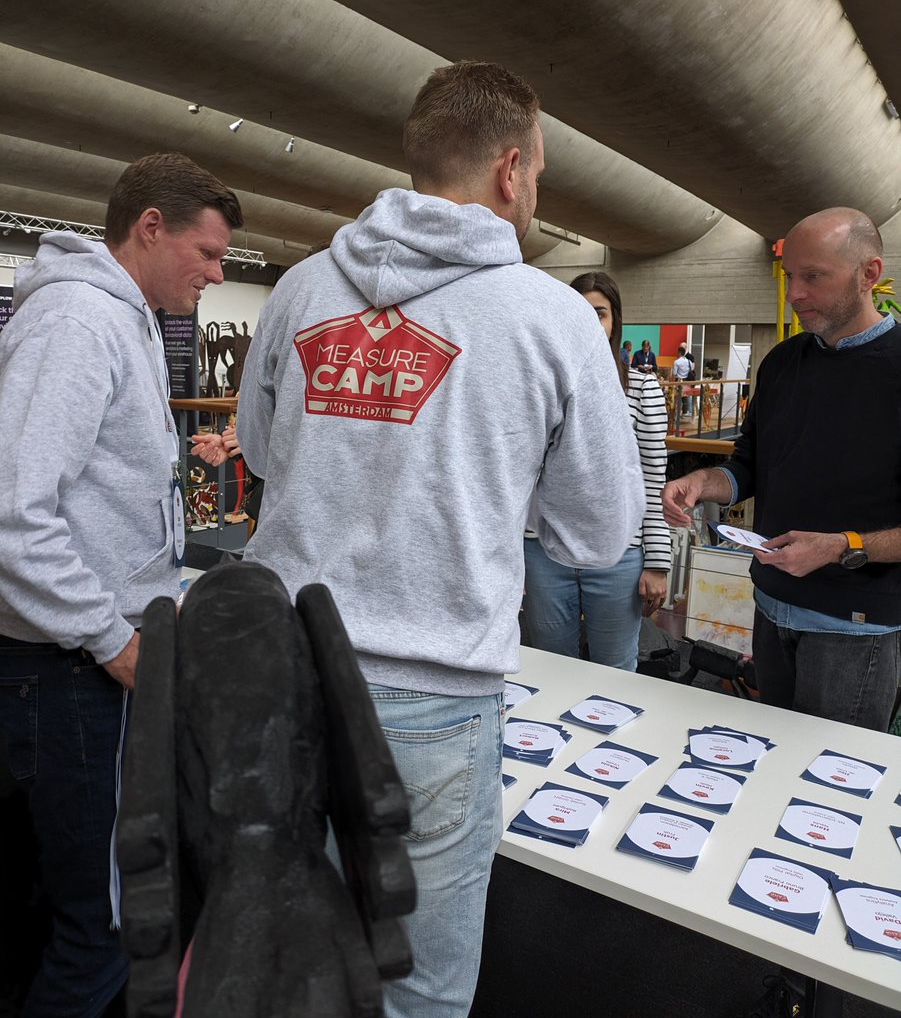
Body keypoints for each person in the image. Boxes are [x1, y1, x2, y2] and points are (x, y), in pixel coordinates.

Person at [237, 59, 644, 1018]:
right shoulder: (550, 317)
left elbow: (259, 451)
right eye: (538, 173)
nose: (535, 190)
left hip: (286, 676)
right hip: (431, 703)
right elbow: (602, 531)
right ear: (511, 171)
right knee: (418, 989)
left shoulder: (298, 291)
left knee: (294, 963)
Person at [0, 152, 241, 1015]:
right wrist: (116, 641)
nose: (217, 274)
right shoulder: (76, 323)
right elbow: (14, 517)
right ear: (149, 229)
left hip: (78, 662)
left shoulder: (125, 317)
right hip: (67, 672)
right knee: (99, 930)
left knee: (68, 910)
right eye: (207, 254)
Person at [662, 207, 901, 732]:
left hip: (853, 627)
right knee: (771, 761)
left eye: (813, 276)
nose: (795, 293)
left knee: (832, 785)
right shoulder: (782, 362)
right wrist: (704, 482)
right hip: (771, 606)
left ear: (869, 274)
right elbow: (749, 465)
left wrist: (842, 546)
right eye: (792, 275)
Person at [522, 272, 671, 669]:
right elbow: (522, 473)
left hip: (618, 554)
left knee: (616, 672)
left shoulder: (642, 388)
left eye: (599, 313)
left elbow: (653, 479)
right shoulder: (542, 384)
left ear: (613, 321)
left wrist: (657, 562)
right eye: (580, 312)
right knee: (551, 667)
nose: (590, 322)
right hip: (544, 551)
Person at [672, 345, 693, 416]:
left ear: (679, 353)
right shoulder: (689, 361)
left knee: (677, 397)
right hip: (687, 381)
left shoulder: (677, 362)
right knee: (686, 397)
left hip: (679, 381)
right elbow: (691, 370)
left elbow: (674, 373)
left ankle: (676, 413)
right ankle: (685, 412)